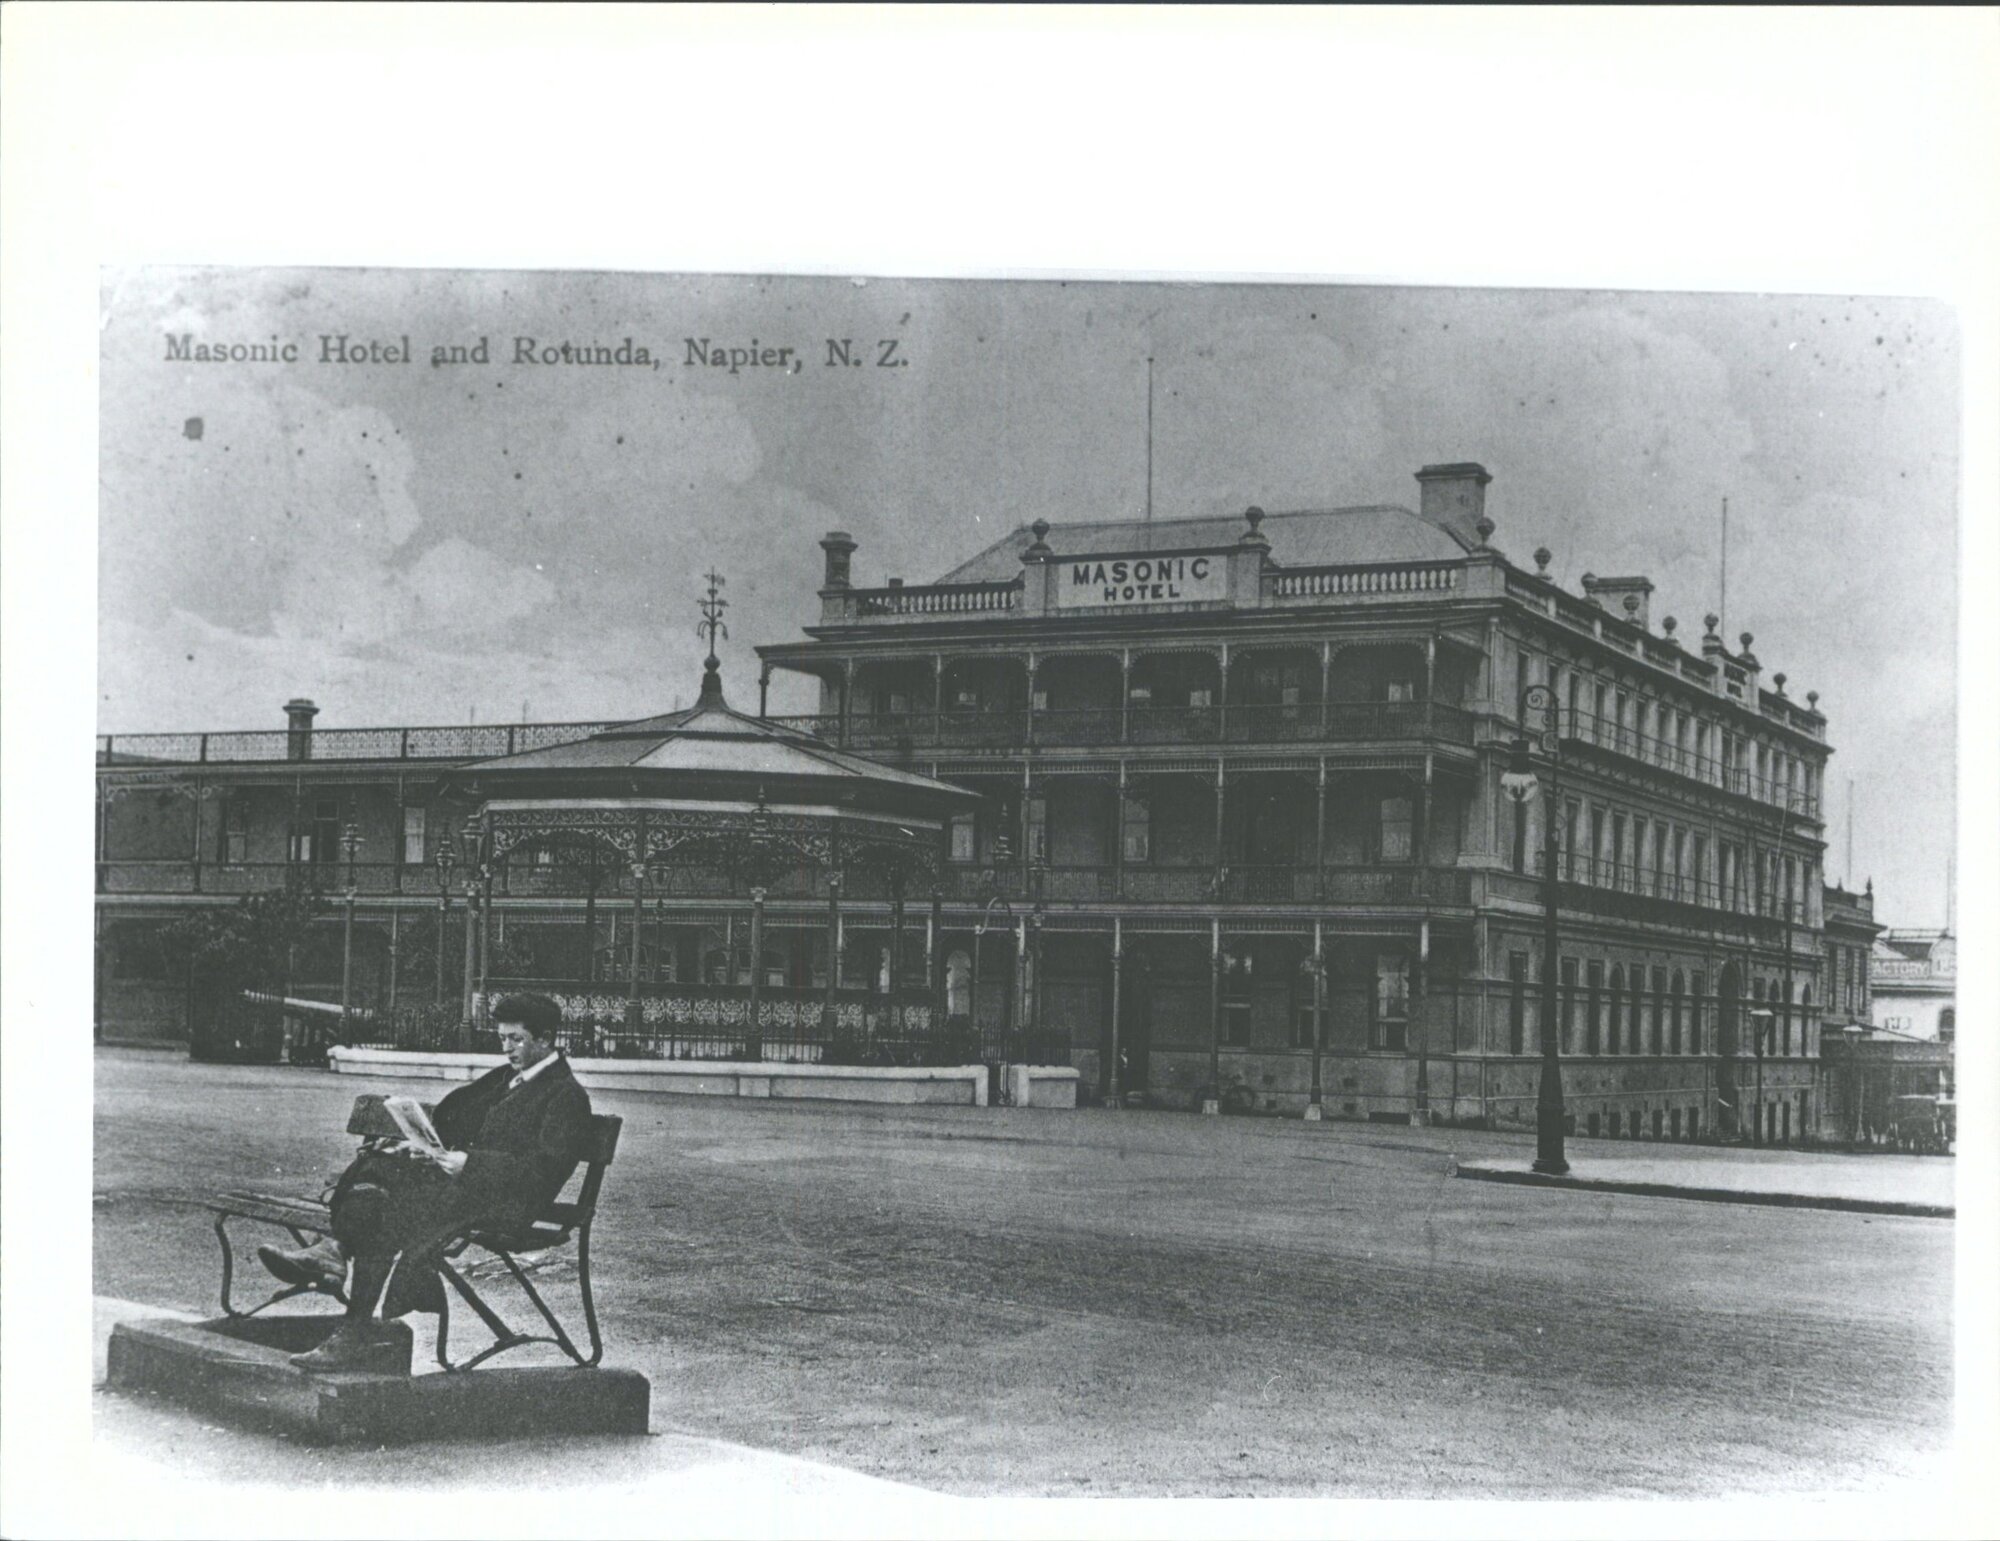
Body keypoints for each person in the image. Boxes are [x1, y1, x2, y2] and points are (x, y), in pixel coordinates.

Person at [262, 992, 594, 1372]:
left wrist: (471, 1164)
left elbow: (544, 1172)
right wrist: (428, 1149)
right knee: (377, 1164)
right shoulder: (509, 1078)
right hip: (467, 1187)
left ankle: (350, 1314)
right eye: (502, 1038)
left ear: (546, 1038)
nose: (506, 1048)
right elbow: (464, 1122)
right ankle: (336, 1261)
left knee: (385, 1209)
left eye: (516, 1039)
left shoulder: (565, 1095)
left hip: (507, 1204)